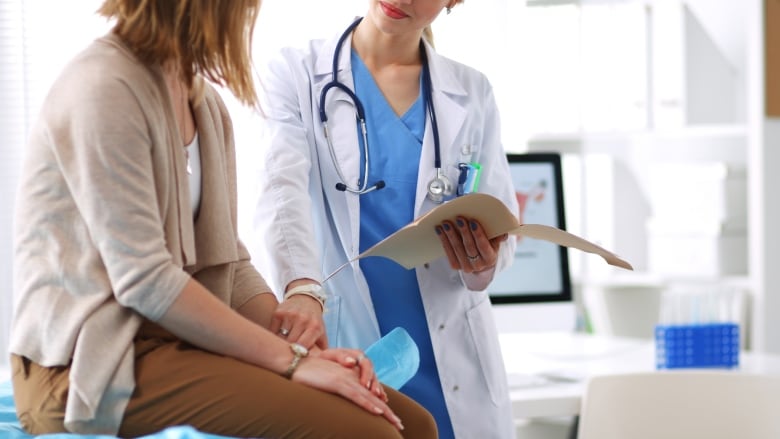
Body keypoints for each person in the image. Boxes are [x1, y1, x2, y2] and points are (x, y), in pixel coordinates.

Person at [8, 1, 437, 438]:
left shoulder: (203, 102)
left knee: (416, 425)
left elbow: (228, 259)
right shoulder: (105, 87)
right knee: (373, 434)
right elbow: (145, 279)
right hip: (88, 368)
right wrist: (290, 362)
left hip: (170, 346)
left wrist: (297, 344)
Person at [252, 1, 519, 437]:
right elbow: (279, 190)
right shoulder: (295, 73)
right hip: (352, 341)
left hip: (452, 357)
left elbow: (500, 216)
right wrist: (300, 285)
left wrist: (484, 261)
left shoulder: (472, 92)